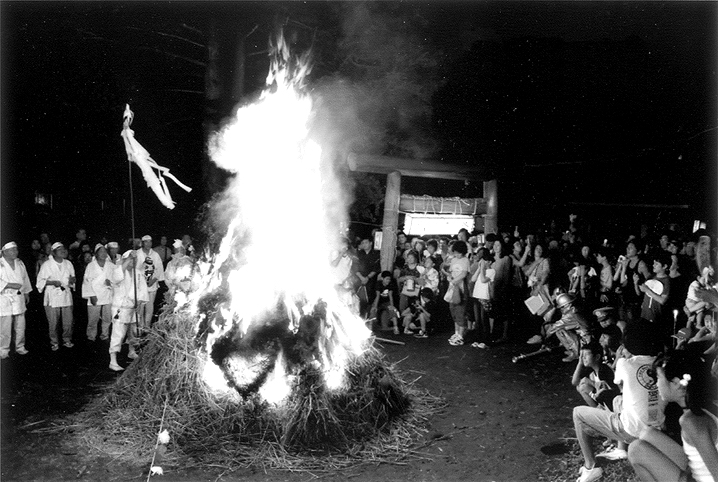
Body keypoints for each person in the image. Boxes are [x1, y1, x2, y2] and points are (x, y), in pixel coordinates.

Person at [572, 321, 664, 482]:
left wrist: (622, 357)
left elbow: (619, 384)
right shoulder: (661, 363)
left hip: (634, 431)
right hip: (658, 429)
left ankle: (591, 467)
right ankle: (620, 449)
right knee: (618, 399)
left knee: (578, 413)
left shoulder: (624, 364)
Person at [627, 350, 718, 482]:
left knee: (636, 450)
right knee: (647, 433)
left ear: (676, 383)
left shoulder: (690, 421)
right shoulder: (703, 406)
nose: (656, 384)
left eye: (658, 378)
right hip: (698, 472)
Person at [108, 250, 145, 371]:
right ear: (125, 260)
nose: (133, 262)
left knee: (133, 332)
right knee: (118, 334)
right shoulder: (118, 270)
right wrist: (129, 258)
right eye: (130, 260)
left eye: (135, 260)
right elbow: (116, 278)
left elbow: (142, 289)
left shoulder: (138, 273)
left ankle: (131, 351)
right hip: (121, 307)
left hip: (133, 307)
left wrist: (139, 302)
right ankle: (113, 360)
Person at [36, 242, 76, 351]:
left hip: (65, 295)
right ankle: (54, 342)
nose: (63, 251)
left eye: (64, 249)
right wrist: (52, 282)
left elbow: (72, 278)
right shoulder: (47, 265)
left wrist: (72, 281)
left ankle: (67, 340)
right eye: (59, 249)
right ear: (53, 252)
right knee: (53, 322)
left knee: (68, 321)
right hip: (52, 295)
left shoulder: (68, 263)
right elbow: (39, 281)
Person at [0, 242, 32, 358]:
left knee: (20, 325)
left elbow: (25, 278)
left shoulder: (20, 263)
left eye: (16, 249)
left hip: (19, 297)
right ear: (4, 252)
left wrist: (26, 292)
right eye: (12, 250)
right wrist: (9, 285)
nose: (15, 252)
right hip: (4, 297)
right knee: (5, 326)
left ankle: (20, 346)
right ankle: (3, 349)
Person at [82, 244, 115, 342]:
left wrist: (111, 283)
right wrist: (91, 295)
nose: (103, 254)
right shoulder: (91, 266)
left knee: (107, 318)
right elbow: (86, 282)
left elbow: (117, 278)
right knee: (93, 319)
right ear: (96, 254)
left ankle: (105, 335)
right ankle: (91, 336)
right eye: (101, 252)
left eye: (105, 252)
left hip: (107, 295)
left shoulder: (111, 265)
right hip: (95, 295)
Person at [571, 341, 620, 409]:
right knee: (581, 386)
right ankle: (598, 409)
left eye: (586, 355)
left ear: (597, 357)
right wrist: (580, 363)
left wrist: (591, 382)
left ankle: (600, 411)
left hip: (614, 403)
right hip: (603, 399)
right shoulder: (592, 369)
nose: (583, 358)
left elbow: (612, 391)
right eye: (582, 356)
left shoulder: (603, 370)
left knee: (584, 386)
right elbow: (575, 382)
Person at [135, 235, 165, 332]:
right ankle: (139, 328)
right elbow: (134, 269)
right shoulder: (137, 253)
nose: (148, 244)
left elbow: (159, 269)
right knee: (140, 308)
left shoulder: (155, 254)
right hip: (140, 286)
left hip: (151, 285)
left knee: (149, 307)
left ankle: (147, 327)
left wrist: (153, 280)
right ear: (142, 243)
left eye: (150, 241)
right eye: (146, 242)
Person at [445, 240, 470, 346]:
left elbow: (464, 274)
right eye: (455, 252)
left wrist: (454, 281)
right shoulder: (453, 260)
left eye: (458, 253)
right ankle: (456, 333)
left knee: (460, 311)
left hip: (461, 289)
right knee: (453, 311)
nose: (456, 255)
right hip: (452, 288)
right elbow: (451, 272)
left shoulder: (465, 260)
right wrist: (449, 278)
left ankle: (461, 335)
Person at [355, 238, 380, 319]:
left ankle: (367, 317)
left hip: (371, 279)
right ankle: (358, 316)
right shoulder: (358, 254)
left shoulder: (376, 254)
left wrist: (368, 277)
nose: (364, 244)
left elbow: (376, 268)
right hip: (359, 279)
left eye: (366, 242)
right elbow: (355, 267)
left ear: (371, 243)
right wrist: (361, 278)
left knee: (370, 299)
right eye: (362, 243)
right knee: (357, 299)